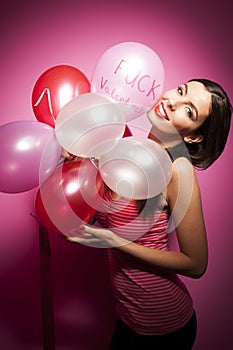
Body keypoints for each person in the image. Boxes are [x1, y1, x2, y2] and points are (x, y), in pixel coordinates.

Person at [66, 79, 232, 349]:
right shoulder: (126, 151)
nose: (173, 102)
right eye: (181, 91)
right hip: (128, 316)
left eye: (189, 111)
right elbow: (101, 215)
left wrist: (114, 241)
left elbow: (196, 263)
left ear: (193, 136)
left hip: (165, 327)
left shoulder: (178, 171)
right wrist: (74, 161)